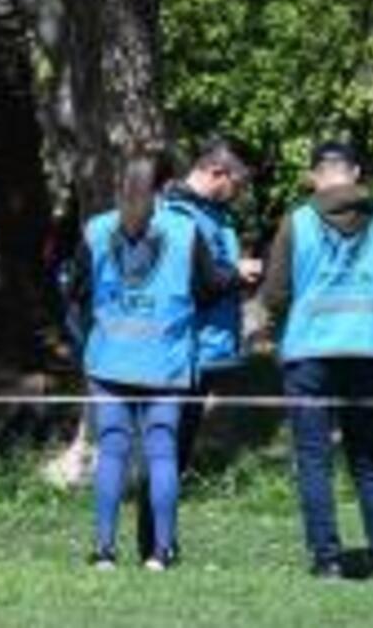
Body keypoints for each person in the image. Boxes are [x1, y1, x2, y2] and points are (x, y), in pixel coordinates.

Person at [79, 153, 255, 570]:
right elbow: (209, 286)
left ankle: (104, 550)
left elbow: (78, 291)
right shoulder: (184, 229)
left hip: (108, 357)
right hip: (165, 360)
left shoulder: (96, 228)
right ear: (163, 185)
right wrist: (240, 272)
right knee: (162, 456)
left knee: (112, 453)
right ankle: (160, 552)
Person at [262, 141, 373, 579]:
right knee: (369, 462)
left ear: (315, 176)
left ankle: (327, 559)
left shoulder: (296, 222)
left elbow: (274, 295)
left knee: (314, 461)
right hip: (366, 350)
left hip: (308, 353)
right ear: (354, 173)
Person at [138, 137, 256, 559]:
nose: (239, 193)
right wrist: (238, 274)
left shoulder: (212, 216)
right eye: (237, 183)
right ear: (216, 173)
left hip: (203, 348)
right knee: (166, 448)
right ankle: (154, 546)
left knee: (176, 449)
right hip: (179, 348)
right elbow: (195, 286)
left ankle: (161, 543)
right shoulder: (178, 216)